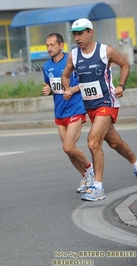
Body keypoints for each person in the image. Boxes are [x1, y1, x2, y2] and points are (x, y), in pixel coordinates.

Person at [62, 18, 137, 201]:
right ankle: (136, 164)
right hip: (90, 107)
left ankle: (98, 187)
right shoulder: (74, 55)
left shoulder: (106, 51)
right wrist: (67, 88)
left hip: (107, 103)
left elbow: (125, 64)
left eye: (80, 33)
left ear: (90, 32)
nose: (77, 37)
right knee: (114, 142)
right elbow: (65, 74)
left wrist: (121, 86)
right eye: (74, 34)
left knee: (93, 142)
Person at [42, 33, 94, 193]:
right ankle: (85, 176)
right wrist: (48, 89)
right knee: (68, 151)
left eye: (52, 45)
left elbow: (85, 82)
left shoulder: (71, 61)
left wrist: (71, 90)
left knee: (68, 146)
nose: (49, 48)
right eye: (47, 45)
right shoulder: (47, 66)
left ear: (61, 45)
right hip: (59, 112)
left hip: (75, 108)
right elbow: (49, 85)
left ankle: (91, 170)